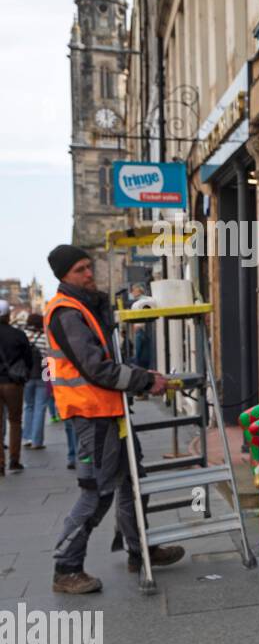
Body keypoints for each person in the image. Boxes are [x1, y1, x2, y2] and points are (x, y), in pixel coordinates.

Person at [44, 245, 185, 595]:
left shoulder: (85, 307)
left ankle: (139, 551)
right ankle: (66, 568)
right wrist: (143, 380)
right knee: (96, 494)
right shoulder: (66, 312)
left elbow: (106, 360)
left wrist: (139, 373)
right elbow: (95, 368)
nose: (89, 273)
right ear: (64, 276)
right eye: (80, 269)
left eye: (89, 266)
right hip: (93, 417)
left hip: (110, 413)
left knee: (134, 483)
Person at [0, 299, 38, 475]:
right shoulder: (18, 334)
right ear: (8, 315)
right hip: (13, 383)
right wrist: (26, 374)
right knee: (15, 421)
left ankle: (0, 464)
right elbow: (28, 359)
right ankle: (14, 461)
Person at [21, 311, 52, 451]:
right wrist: (50, 379)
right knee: (40, 408)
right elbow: (48, 360)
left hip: (26, 376)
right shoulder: (46, 338)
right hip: (41, 376)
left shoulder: (23, 336)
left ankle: (26, 437)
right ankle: (37, 441)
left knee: (28, 406)